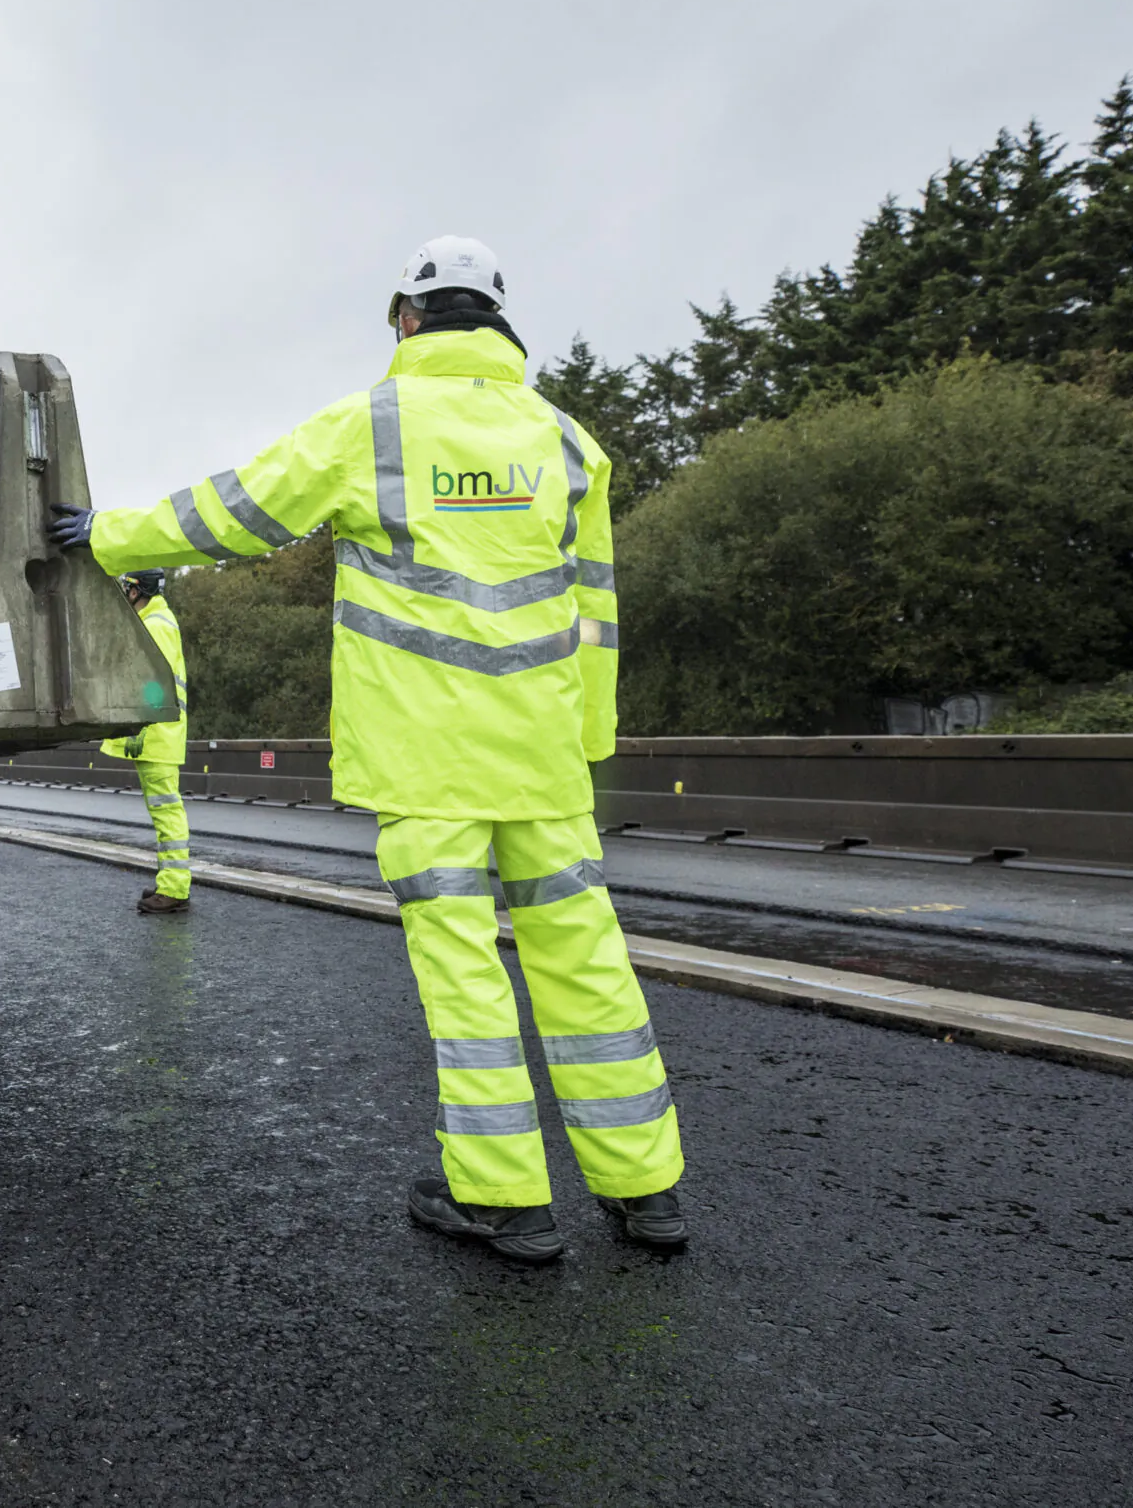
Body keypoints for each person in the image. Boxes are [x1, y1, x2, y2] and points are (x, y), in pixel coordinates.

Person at [47, 236, 685, 1264]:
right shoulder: (569, 444)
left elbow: (235, 510)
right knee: (586, 960)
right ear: (499, 319)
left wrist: (110, 536)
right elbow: (596, 615)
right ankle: (646, 1189)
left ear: (405, 318)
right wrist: (587, 742)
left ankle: (506, 1199)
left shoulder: (373, 427)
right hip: (543, 759)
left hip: (428, 761)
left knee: (463, 970)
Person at [102, 570, 193, 913]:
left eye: (128, 588)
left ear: (140, 590)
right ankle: (170, 881)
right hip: (160, 735)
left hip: (157, 736)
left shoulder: (156, 624)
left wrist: (140, 727)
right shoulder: (156, 619)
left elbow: (155, 682)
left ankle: (174, 890)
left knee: (167, 813)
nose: (126, 594)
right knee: (164, 813)